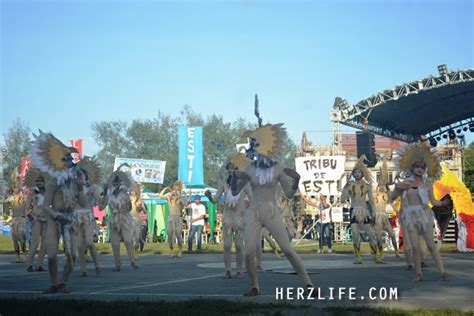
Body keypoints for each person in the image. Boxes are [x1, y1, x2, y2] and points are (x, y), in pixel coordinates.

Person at [232, 123, 314, 296]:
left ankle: (308, 284)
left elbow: (289, 194)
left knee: (287, 249)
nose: (253, 148)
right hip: (253, 212)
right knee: (248, 252)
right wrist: (234, 177)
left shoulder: (278, 168)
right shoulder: (250, 168)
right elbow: (235, 191)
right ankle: (254, 286)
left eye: (256, 144)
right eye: (253, 144)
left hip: (271, 211)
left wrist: (297, 180)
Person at [30, 131, 88, 293]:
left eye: (70, 159)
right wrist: (57, 216)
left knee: (72, 256)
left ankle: (62, 282)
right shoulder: (54, 181)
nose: (69, 162)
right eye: (66, 160)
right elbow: (45, 205)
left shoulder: (76, 181)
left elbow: (84, 203)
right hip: (53, 219)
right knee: (52, 254)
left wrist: (81, 187)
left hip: (70, 219)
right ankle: (54, 283)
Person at [392, 141, 449, 281]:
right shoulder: (405, 184)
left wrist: (443, 203)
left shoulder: (428, 183)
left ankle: (443, 272)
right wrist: (398, 189)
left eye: (422, 167)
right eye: (417, 166)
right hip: (410, 217)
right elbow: (391, 198)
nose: (420, 169)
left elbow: (433, 201)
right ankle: (418, 274)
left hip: (424, 215)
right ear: (411, 168)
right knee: (415, 247)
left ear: (425, 169)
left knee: (431, 245)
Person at [206, 152, 251, 278]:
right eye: (229, 168)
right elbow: (215, 200)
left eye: (234, 168)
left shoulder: (244, 184)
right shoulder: (223, 185)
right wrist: (209, 197)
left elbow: (252, 199)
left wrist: (249, 206)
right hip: (228, 217)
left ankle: (239, 270)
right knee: (226, 245)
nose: (231, 170)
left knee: (238, 245)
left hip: (240, 217)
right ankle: (227, 270)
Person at [340, 155, 381, 264]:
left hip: (364, 210)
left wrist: (374, 212)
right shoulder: (350, 185)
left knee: (371, 234)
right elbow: (342, 200)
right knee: (355, 235)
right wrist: (343, 188)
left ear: (363, 173)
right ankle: (358, 257)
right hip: (353, 211)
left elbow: (372, 200)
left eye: (359, 172)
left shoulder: (367, 186)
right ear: (353, 174)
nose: (357, 174)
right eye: (355, 172)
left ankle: (376, 256)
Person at [99, 170, 138, 272]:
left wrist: (126, 206)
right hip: (113, 219)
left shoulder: (125, 194)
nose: (116, 184)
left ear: (120, 183)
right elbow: (100, 208)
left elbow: (129, 208)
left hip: (124, 218)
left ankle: (133, 261)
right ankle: (117, 265)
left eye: (117, 182)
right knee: (115, 243)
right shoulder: (109, 195)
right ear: (112, 183)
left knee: (127, 240)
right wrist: (104, 193)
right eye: (114, 182)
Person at [24, 168, 49, 272]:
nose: (39, 183)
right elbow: (26, 208)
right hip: (36, 219)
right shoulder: (32, 193)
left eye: (40, 181)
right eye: (37, 181)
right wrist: (29, 215)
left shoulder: (48, 192)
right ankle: (29, 265)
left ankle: (39, 265)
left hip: (46, 219)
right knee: (35, 242)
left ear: (44, 182)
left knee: (45, 243)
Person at [160, 180, 188, 257]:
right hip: (171, 218)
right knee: (170, 235)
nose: (175, 191)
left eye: (177, 190)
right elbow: (160, 196)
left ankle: (180, 250)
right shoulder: (169, 198)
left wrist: (181, 194)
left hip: (178, 218)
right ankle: (171, 250)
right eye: (174, 190)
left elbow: (186, 202)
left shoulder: (180, 199)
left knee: (178, 234)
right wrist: (165, 189)